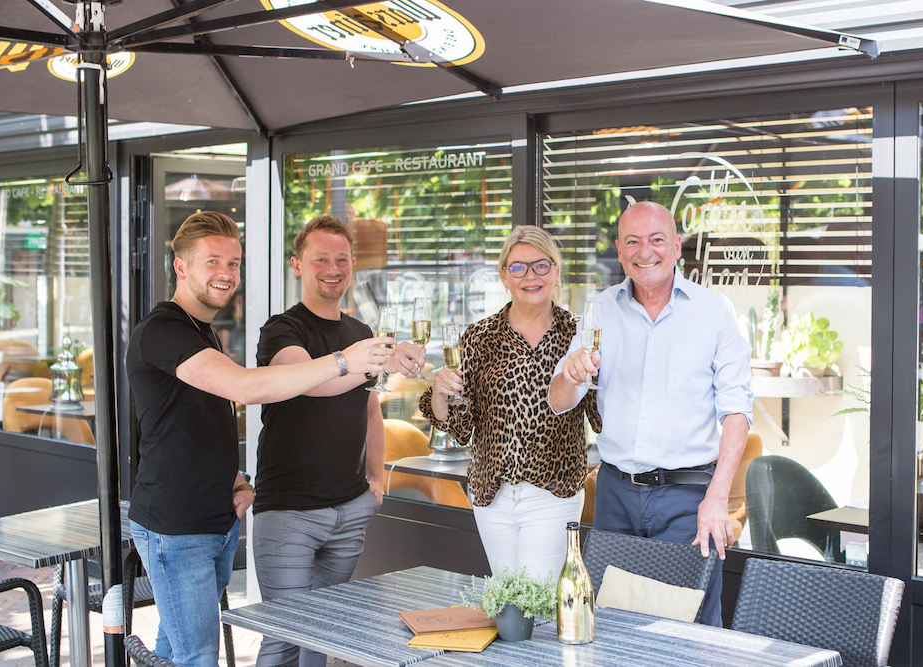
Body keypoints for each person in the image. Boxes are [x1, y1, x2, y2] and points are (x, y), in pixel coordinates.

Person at [126, 211, 393, 667]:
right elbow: (247, 388)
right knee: (198, 656)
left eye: (233, 263)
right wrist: (345, 362)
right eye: (213, 262)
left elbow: (191, 421)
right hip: (175, 525)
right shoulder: (164, 329)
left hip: (214, 518)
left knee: (175, 650)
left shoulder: (200, 330)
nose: (226, 273)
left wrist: (232, 476)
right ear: (181, 266)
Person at [549, 200, 753, 627]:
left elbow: (736, 413)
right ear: (620, 251)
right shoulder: (601, 309)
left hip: (688, 500)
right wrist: (569, 374)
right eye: (633, 242)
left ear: (676, 246)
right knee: (607, 622)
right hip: (615, 496)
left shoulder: (714, 311)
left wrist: (717, 498)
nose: (645, 251)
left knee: (690, 628)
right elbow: (559, 400)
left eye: (657, 239)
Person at [252, 215, 425, 667]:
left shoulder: (360, 334)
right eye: (321, 259)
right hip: (289, 512)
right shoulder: (282, 330)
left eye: (342, 259)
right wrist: (367, 362)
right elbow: (311, 382)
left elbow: (370, 410)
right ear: (297, 265)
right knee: (284, 636)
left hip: (349, 511)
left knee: (324, 634)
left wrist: (376, 480)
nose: (333, 269)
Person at [419, 226, 600, 579]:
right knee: (506, 597)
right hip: (492, 494)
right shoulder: (479, 336)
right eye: (517, 267)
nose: (530, 276)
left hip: (554, 492)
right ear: (503, 276)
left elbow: (601, 416)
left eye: (541, 265)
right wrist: (440, 392)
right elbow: (457, 427)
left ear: (556, 271)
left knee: (538, 597)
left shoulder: (579, 335)